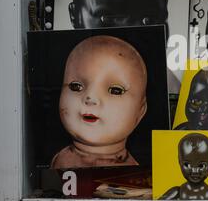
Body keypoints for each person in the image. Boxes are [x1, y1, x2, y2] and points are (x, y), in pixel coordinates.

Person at [51, 35, 147, 169]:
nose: (90, 98)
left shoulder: (131, 172)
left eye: (115, 90)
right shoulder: (61, 160)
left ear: (141, 110)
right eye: (76, 86)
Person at [159, 133, 208, 200]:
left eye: (201, 165)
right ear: (179, 161)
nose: (195, 171)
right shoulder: (176, 193)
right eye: (187, 165)